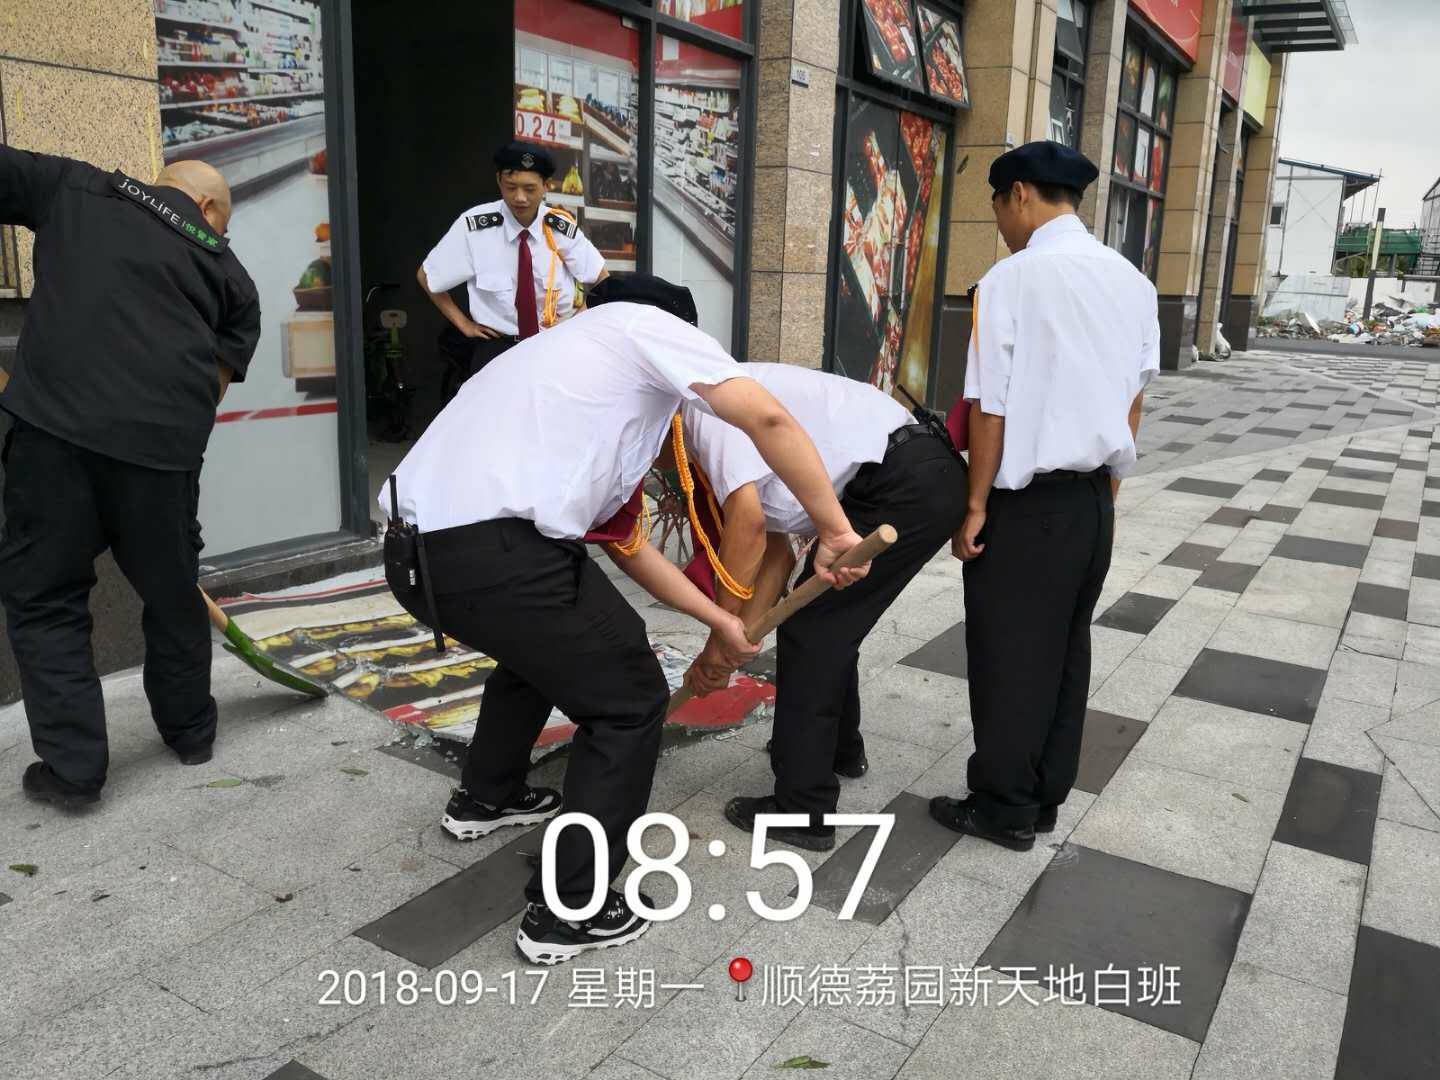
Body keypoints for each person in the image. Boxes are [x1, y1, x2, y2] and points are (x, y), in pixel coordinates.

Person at [380, 273, 871, 965]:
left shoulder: (561, 373)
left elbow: (629, 546)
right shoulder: (642, 327)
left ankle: (486, 798)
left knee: (542, 656)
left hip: (415, 559)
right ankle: (570, 911)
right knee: (630, 699)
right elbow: (768, 420)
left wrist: (721, 622)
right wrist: (837, 529)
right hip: (501, 552)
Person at [0, 147, 261, 809]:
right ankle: (191, 734)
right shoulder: (230, 275)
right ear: (207, 208)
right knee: (173, 597)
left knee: (46, 600)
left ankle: (73, 771)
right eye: (224, 224)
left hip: (53, 438)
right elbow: (211, 390)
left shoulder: (73, 187)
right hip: (161, 459)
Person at [930, 141, 1157, 851]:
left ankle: (1003, 807)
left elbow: (989, 407)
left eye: (998, 205)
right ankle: (1044, 794)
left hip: (1026, 506)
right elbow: (1133, 400)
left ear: (1020, 194)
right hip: (1092, 502)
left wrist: (975, 507)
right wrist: (1108, 491)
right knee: (1063, 651)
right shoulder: (1132, 281)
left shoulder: (1011, 279)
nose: (1000, 222)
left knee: (1008, 656)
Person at [667, 364, 967, 850]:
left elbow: (747, 528)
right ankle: (838, 751)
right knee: (825, 626)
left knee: (814, 632)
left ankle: (803, 810)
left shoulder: (705, 409)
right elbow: (776, 553)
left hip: (901, 480)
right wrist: (736, 643)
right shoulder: (717, 399)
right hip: (918, 472)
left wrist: (718, 643)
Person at [419, 140, 608, 390]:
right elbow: (427, 276)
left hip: (554, 347)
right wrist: (464, 325)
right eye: (511, 187)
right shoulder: (475, 228)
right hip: (497, 350)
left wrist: (578, 323)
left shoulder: (559, 228)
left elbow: (602, 279)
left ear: (546, 186)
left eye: (530, 189)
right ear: (499, 181)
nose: (519, 198)